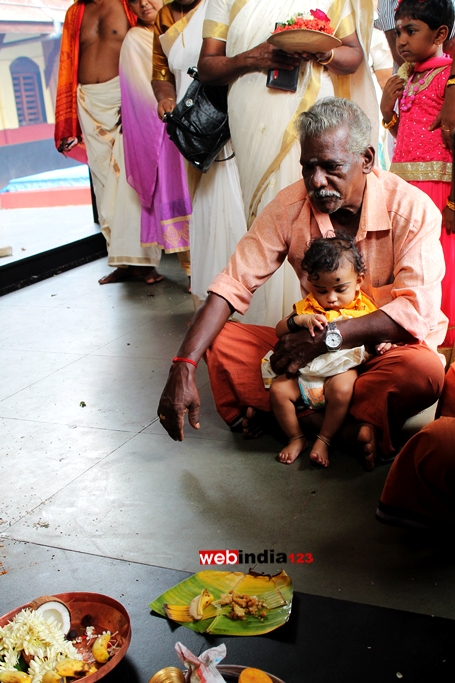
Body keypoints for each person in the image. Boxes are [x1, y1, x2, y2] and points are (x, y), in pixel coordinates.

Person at [157, 98, 447, 470]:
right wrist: (182, 365)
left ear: (368, 160)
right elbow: (232, 283)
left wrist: (326, 339)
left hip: (381, 355)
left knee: (424, 372)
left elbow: (414, 312)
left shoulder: (411, 208)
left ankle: (295, 418)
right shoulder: (289, 205)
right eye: (308, 167)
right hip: (314, 362)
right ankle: (346, 429)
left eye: (331, 167)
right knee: (221, 339)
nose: (316, 181)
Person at [197, 0, 379, 326]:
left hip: (312, 112)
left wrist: (324, 53)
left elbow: (353, 56)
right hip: (251, 110)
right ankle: (271, 323)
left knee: (311, 208)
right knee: (266, 211)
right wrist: (253, 57)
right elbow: (208, 67)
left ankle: (321, 315)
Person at [54, 0, 162, 285]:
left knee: (131, 182)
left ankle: (144, 264)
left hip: (125, 98)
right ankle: (121, 263)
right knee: (103, 183)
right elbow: (68, 62)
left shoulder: (129, 4)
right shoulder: (75, 13)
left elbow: (150, 45)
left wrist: (138, 104)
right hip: (88, 101)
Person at [151, 0, 247, 307]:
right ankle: (213, 293)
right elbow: (161, 70)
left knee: (231, 200)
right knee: (204, 205)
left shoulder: (222, 6)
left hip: (226, 121)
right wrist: (165, 98)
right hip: (190, 126)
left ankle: (241, 292)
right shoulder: (165, 16)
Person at [267, 234, 382, 468]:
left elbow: (378, 334)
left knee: (342, 389)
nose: (331, 298)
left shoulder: (366, 308)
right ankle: (296, 437)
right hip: (305, 374)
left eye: (340, 289)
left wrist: (383, 343)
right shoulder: (309, 306)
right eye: (320, 289)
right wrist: (299, 321)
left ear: (359, 280)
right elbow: (280, 329)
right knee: (278, 391)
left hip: (338, 373)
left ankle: (324, 439)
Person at [380, 0, 454, 346]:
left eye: (411, 31)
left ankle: (441, 345)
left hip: (439, 190)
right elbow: (410, 138)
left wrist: (453, 203)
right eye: (398, 33)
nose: (401, 41)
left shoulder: (446, 79)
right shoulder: (406, 77)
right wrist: (386, 111)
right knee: (408, 264)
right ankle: (410, 334)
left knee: (438, 266)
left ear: (440, 34)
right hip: (404, 186)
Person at [119, 0, 191, 280]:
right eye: (134, 1)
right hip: (168, 128)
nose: (143, 4)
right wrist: (168, 105)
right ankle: (192, 273)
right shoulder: (139, 37)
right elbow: (143, 89)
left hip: (204, 118)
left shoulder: (195, 17)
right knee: (180, 194)